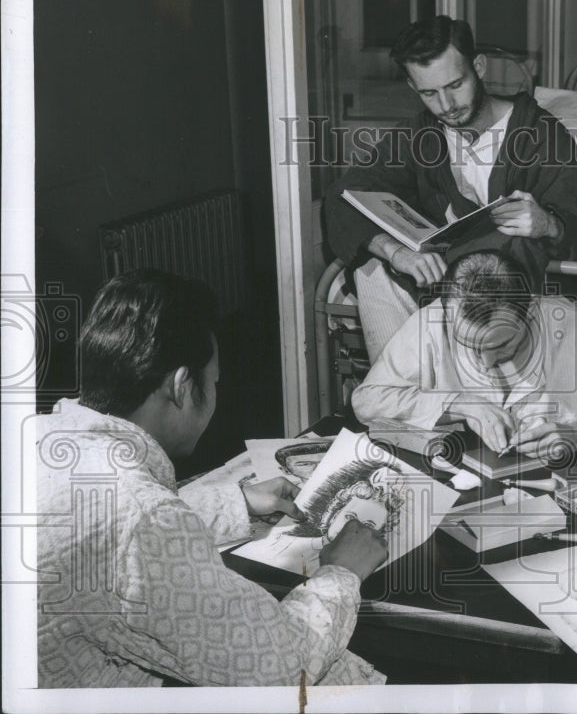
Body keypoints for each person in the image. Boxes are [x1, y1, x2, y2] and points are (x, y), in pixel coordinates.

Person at [35, 270, 388, 688]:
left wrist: (233, 504)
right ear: (182, 387)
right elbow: (279, 669)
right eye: (214, 381)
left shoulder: (41, 437)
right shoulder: (141, 518)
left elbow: (104, 538)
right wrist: (342, 572)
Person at [324, 15, 577, 361]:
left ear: (479, 67)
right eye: (429, 93)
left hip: (507, 284)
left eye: (455, 85)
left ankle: (436, 389)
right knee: (371, 267)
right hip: (441, 278)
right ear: (412, 88)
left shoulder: (541, 134)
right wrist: (396, 252)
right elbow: (345, 193)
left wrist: (547, 223)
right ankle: (401, 397)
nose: (446, 106)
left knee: (507, 246)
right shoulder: (421, 134)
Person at [351, 251, 577, 458]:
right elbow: (368, 401)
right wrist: (458, 403)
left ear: (530, 311)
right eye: (469, 345)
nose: (486, 363)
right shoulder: (432, 323)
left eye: (501, 346)